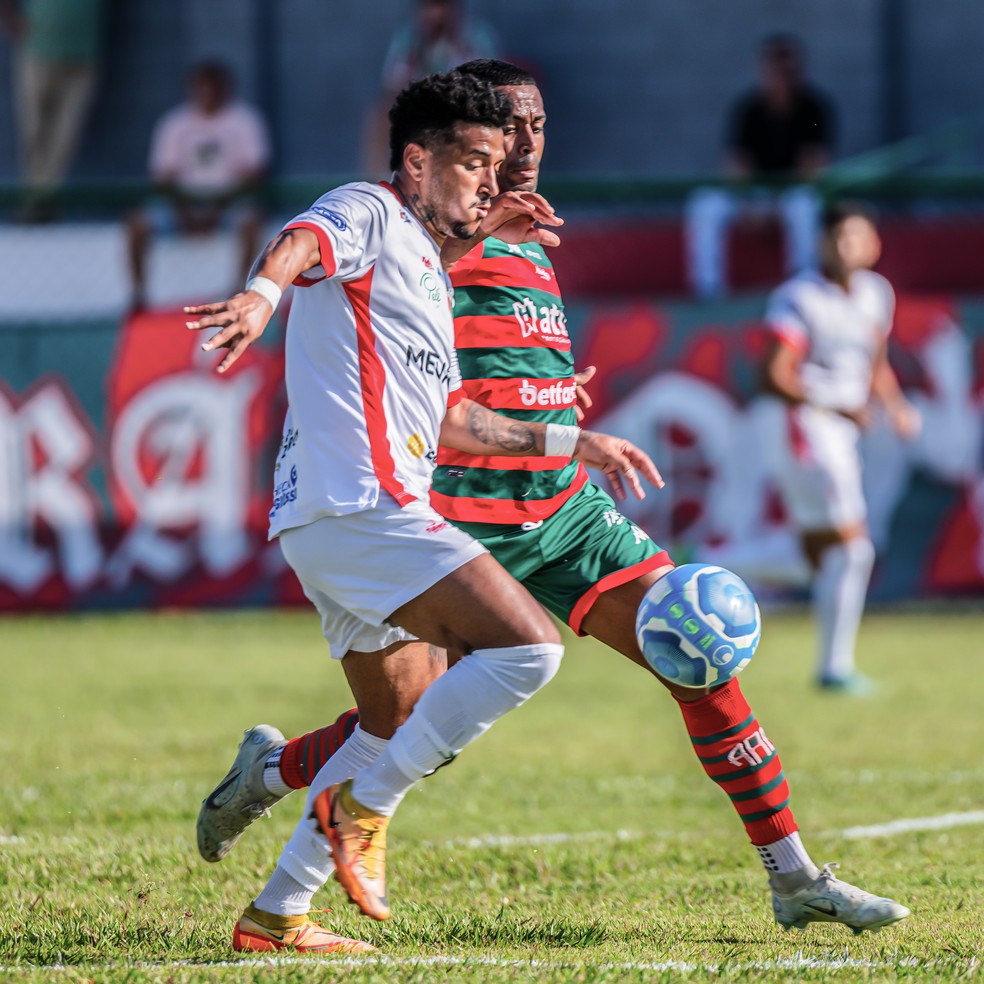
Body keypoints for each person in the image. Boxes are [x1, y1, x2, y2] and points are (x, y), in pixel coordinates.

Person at [195, 61, 910, 952]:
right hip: (440, 511)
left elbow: (461, 392)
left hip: (557, 505)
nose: (520, 149)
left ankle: (794, 875)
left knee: (696, 648)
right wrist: (265, 292)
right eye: (499, 135)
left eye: (531, 129)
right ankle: (279, 783)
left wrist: (565, 427)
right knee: (407, 720)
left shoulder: (522, 234)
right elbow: (335, 270)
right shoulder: (416, 229)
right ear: (432, 156)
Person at [185, 68, 661, 953]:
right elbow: (300, 240)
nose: (492, 178)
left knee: (392, 719)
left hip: (333, 517)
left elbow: (451, 420)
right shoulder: (368, 209)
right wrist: (260, 292)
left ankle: (277, 916)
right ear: (415, 161)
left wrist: (569, 444)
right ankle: (361, 809)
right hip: (362, 506)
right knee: (528, 649)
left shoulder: (427, 272)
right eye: (474, 161)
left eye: (496, 164)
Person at [762, 201, 921, 693]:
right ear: (820, 243)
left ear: (874, 244)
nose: (845, 245)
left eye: (855, 236)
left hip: (842, 431)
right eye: (836, 236)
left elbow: (874, 361)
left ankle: (703, 556)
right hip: (805, 428)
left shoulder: (877, 293)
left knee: (822, 555)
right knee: (853, 549)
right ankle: (835, 670)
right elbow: (772, 377)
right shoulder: (799, 297)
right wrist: (836, 403)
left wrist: (893, 405)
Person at [685, 34, 834, 299]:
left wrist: (776, 205)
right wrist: (747, 205)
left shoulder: (814, 109)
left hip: (791, 194)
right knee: (706, 204)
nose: (781, 75)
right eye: (774, 67)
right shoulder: (748, 109)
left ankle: (802, 289)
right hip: (753, 196)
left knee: (804, 205)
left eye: (787, 68)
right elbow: (736, 164)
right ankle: (708, 292)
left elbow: (813, 167)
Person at [126, 61, 271, 310]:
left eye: (213, 89)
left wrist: (215, 209)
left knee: (251, 221)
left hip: (230, 205)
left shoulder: (245, 121)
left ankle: (240, 290)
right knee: (136, 223)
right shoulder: (174, 123)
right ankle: (140, 295)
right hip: (181, 207)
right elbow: (164, 178)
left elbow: (254, 174)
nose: (207, 96)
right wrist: (185, 212)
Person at [362, 0, 499, 175]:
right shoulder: (409, 37)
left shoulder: (476, 35)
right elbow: (394, 84)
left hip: (465, 104)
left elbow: (488, 80)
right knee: (380, 117)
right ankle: (380, 179)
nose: (434, 13)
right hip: (422, 103)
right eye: (428, 7)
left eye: (440, 6)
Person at [0, 0, 105, 221]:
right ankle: (36, 201)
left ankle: (42, 202)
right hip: (36, 53)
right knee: (33, 131)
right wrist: (9, 19)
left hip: (82, 56)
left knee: (66, 134)